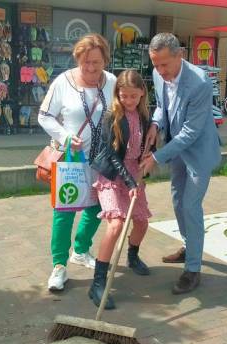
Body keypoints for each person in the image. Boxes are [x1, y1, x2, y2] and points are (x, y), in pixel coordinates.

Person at [140, 33, 221, 295]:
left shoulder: (200, 83)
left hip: (198, 152)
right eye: (155, 64)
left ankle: (193, 270)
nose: (160, 70)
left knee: (190, 205)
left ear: (180, 55)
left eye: (165, 64)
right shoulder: (157, 74)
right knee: (177, 200)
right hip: (177, 152)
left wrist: (155, 157)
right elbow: (162, 107)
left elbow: (190, 133)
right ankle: (189, 247)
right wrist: (155, 124)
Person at [38, 33, 117, 291]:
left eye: (96, 62)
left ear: (105, 59)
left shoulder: (112, 82)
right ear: (78, 60)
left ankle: (81, 250)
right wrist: (65, 135)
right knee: (64, 212)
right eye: (85, 63)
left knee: (96, 208)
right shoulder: (63, 81)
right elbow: (44, 116)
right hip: (72, 159)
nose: (91, 68)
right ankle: (59, 266)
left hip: (101, 159)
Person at [89, 70, 153, 309]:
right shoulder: (111, 117)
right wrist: (129, 182)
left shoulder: (144, 117)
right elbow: (111, 155)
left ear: (142, 94)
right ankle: (97, 283)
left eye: (134, 97)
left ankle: (132, 256)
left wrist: (149, 156)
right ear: (118, 94)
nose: (128, 101)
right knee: (115, 224)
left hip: (135, 174)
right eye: (124, 96)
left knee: (142, 222)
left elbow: (146, 144)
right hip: (113, 175)